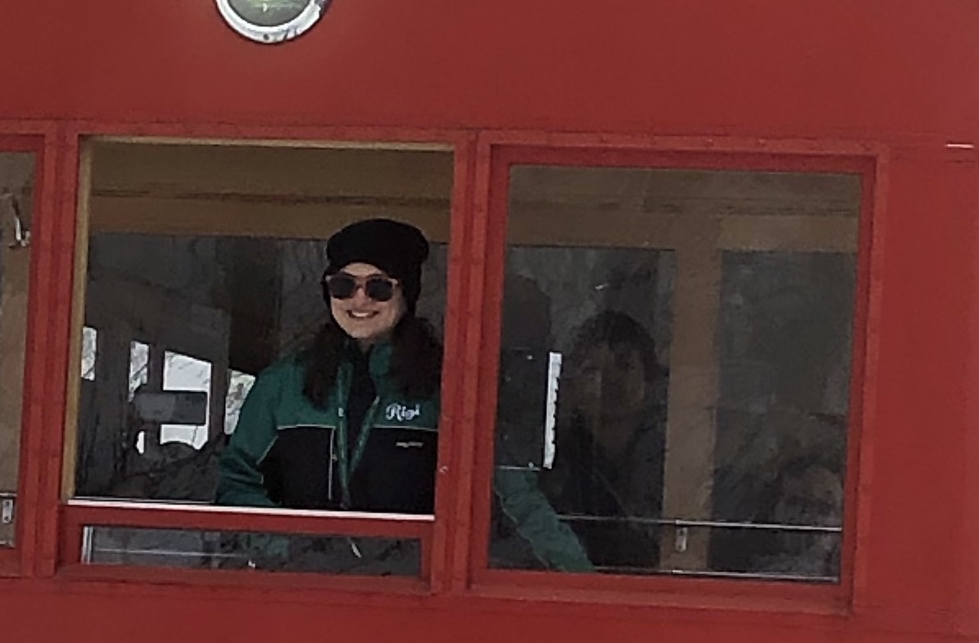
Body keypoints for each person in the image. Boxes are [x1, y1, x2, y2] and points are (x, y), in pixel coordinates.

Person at [214, 219, 586, 568]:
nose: (359, 300)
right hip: (304, 591)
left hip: (412, 595)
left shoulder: (447, 386)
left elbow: (512, 495)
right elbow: (237, 481)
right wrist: (285, 549)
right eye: (343, 286)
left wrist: (575, 575)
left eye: (378, 287)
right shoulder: (282, 384)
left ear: (407, 292)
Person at [547, 310, 668, 570]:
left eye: (624, 365)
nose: (610, 381)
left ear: (649, 378)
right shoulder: (553, 461)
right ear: (571, 386)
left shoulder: (673, 459)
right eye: (592, 369)